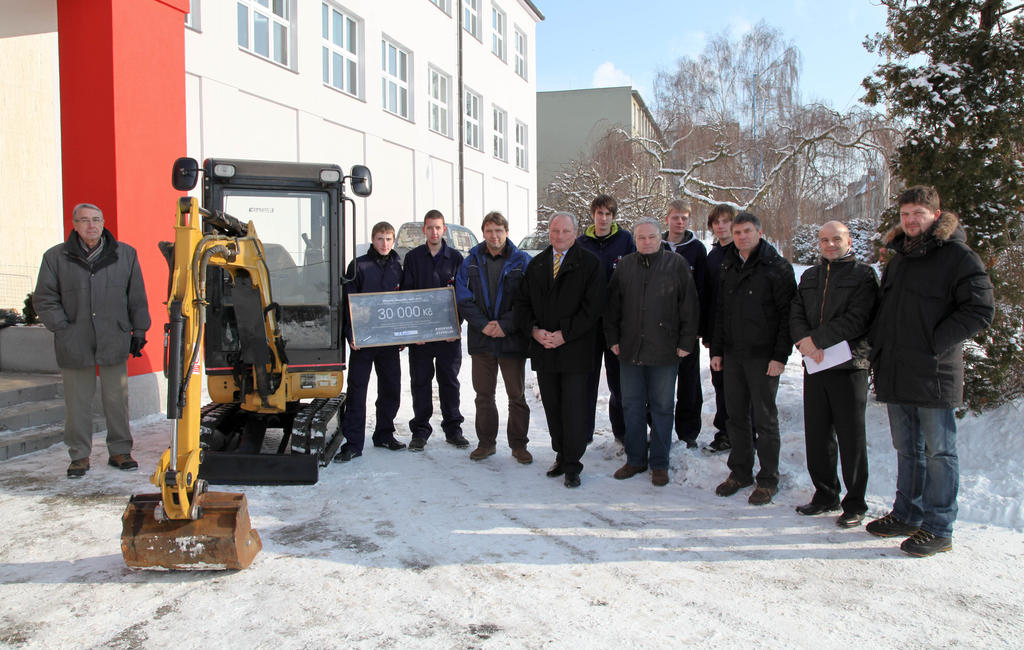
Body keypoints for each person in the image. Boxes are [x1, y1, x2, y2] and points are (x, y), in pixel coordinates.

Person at [866, 187, 993, 557]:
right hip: (896, 368)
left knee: (940, 452)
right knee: (908, 450)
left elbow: (980, 309)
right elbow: (886, 311)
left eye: (918, 213)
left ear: (936, 216)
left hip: (934, 371)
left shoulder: (957, 256)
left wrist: (933, 342)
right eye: (905, 213)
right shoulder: (900, 258)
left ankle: (939, 527)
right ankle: (907, 513)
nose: (910, 220)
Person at [33, 202, 151, 478]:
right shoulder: (55, 257)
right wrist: (62, 327)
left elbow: (137, 297)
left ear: (103, 221)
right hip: (75, 341)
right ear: (74, 224)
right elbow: (44, 298)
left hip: (114, 338)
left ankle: (120, 451)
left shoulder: (126, 255)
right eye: (84, 220)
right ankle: (79, 456)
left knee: (116, 400)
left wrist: (140, 331)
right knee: (77, 403)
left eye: (96, 219)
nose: (91, 226)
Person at [790, 221, 879, 528]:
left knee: (851, 436)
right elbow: (796, 311)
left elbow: (859, 318)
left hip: (849, 366)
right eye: (824, 239)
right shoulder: (810, 276)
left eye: (836, 239)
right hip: (815, 365)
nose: (829, 244)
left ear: (848, 241)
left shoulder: (864, 276)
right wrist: (804, 341)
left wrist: (819, 340)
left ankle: (855, 502)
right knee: (817, 434)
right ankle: (825, 494)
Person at [710, 212, 796, 505]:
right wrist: (717, 351)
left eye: (748, 231)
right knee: (735, 416)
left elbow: (788, 316)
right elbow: (721, 312)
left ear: (759, 233)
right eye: (737, 232)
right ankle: (740, 471)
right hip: (734, 354)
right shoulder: (729, 265)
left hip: (764, 357)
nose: (742, 237)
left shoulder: (777, 267)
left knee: (764, 419)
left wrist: (780, 356)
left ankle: (768, 478)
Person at [606, 218, 700, 486]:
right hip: (630, 348)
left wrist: (685, 342)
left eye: (651, 237)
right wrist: (612, 338)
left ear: (661, 238)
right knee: (632, 406)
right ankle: (635, 459)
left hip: (665, 349)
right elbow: (612, 306)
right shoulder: (624, 266)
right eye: (641, 237)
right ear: (634, 240)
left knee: (662, 407)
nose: (646, 242)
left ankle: (659, 462)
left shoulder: (676, 265)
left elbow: (689, 306)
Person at [515, 212, 604, 488]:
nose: (559, 236)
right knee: (552, 406)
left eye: (565, 231)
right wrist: (534, 330)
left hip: (574, 349)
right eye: (555, 231)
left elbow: (593, 308)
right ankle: (561, 454)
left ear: (575, 233)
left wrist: (565, 334)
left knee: (574, 408)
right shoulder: (538, 264)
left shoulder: (590, 264)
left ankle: (573, 464)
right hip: (545, 348)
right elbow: (523, 303)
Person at [454, 211, 532, 464]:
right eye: (489, 231)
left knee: (516, 395)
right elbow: (463, 298)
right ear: (483, 233)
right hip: (483, 339)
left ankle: (519, 445)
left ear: (506, 232)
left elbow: (529, 300)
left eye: (498, 230)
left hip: (511, 338)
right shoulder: (471, 261)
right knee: (483, 395)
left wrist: (506, 325)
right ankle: (486, 443)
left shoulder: (522, 261)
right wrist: (483, 324)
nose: (494, 235)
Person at [335, 221, 406, 462]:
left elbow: (403, 303)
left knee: (391, 388)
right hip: (363, 341)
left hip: (388, 342)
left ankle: (384, 434)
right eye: (379, 239)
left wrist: (404, 334)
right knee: (358, 391)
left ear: (393, 241)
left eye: (388, 239)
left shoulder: (398, 266)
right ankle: (354, 442)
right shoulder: (358, 266)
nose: (384, 244)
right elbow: (348, 303)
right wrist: (351, 333)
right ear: (372, 240)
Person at [401, 210, 468, 451]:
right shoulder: (413, 258)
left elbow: (462, 296)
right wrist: (414, 332)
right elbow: (407, 296)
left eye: (438, 227)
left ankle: (453, 429)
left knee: (449, 381)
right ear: (424, 230)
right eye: (430, 227)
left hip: (448, 335)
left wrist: (456, 326)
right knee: (420, 382)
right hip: (422, 337)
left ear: (444, 230)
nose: (434, 232)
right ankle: (420, 431)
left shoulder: (456, 258)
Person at [576, 194, 635, 443]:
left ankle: (621, 432)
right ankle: (584, 432)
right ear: (593, 215)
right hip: (588, 325)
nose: (603, 218)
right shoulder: (581, 243)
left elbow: (633, 277)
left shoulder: (625, 240)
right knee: (586, 382)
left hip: (616, 324)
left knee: (618, 383)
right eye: (599, 213)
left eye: (608, 214)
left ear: (613, 216)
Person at [661, 199, 709, 448]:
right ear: (667, 218)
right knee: (659, 384)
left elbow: (702, 289)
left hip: (687, 329)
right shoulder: (656, 245)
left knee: (689, 383)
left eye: (684, 218)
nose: (680, 222)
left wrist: (697, 328)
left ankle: (688, 432)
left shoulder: (697, 249)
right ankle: (658, 430)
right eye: (676, 217)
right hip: (659, 329)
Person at [702, 203, 739, 454]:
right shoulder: (712, 256)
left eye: (726, 221)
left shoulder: (743, 252)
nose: (721, 226)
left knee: (740, 387)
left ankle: (744, 433)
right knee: (720, 383)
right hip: (717, 332)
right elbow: (706, 294)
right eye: (717, 222)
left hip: (741, 334)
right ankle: (724, 432)